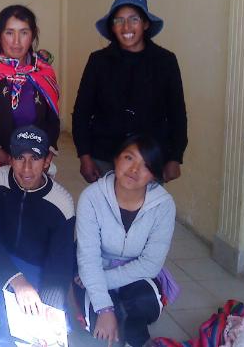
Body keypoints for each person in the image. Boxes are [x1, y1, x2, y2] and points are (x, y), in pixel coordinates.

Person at [72, 0, 187, 184]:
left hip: (148, 160)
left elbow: (177, 113)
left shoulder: (165, 61)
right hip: (104, 157)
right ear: (112, 26)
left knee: (145, 204)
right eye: (119, 20)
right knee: (103, 203)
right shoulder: (98, 61)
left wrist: (175, 157)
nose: (126, 27)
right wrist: (84, 156)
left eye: (134, 19)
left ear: (145, 24)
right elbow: (82, 112)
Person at [0, 125, 74, 344]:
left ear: (47, 161)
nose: (26, 168)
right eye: (19, 158)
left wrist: (50, 306)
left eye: (35, 158)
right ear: (9, 159)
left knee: (43, 331)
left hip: (37, 269)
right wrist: (17, 281)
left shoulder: (62, 202)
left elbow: (61, 263)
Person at [75, 134, 177, 347]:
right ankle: (125, 324)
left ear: (154, 174)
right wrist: (104, 308)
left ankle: (133, 330)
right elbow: (89, 259)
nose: (134, 170)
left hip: (136, 274)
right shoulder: (92, 197)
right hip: (96, 267)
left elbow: (150, 264)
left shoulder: (164, 205)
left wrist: (101, 280)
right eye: (129, 158)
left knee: (144, 303)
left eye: (146, 165)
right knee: (99, 324)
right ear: (116, 159)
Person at [0, 5, 60, 176]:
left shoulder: (44, 70)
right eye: (9, 33)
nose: (16, 41)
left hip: (36, 162)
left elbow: (52, 118)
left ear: (33, 35)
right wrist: (5, 158)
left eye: (24, 32)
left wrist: (48, 152)